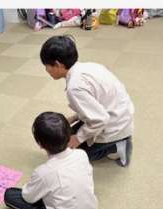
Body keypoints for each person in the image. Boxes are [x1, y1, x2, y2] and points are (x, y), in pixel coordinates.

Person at [40, 36, 134, 166]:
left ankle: (117, 146)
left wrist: (78, 139)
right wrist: (74, 118)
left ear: (57, 64)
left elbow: (101, 119)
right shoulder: (90, 66)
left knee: (70, 155)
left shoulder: (75, 87)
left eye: (47, 66)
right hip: (120, 114)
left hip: (114, 126)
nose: (46, 70)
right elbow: (96, 101)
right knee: (62, 138)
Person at [4, 112, 97, 209]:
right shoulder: (81, 154)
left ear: (40, 144)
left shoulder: (43, 172)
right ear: (69, 136)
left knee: (9, 195)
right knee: (49, 189)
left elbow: (28, 197)